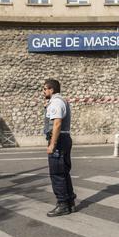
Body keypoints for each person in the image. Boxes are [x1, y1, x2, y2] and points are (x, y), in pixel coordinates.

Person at [43, 79, 76, 217]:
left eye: (45, 89)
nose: (43, 91)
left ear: (51, 90)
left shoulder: (56, 102)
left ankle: (62, 204)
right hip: (64, 139)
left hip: (59, 140)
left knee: (57, 173)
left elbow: (57, 124)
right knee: (63, 173)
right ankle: (69, 203)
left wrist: (52, 144)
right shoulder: (60, 101)